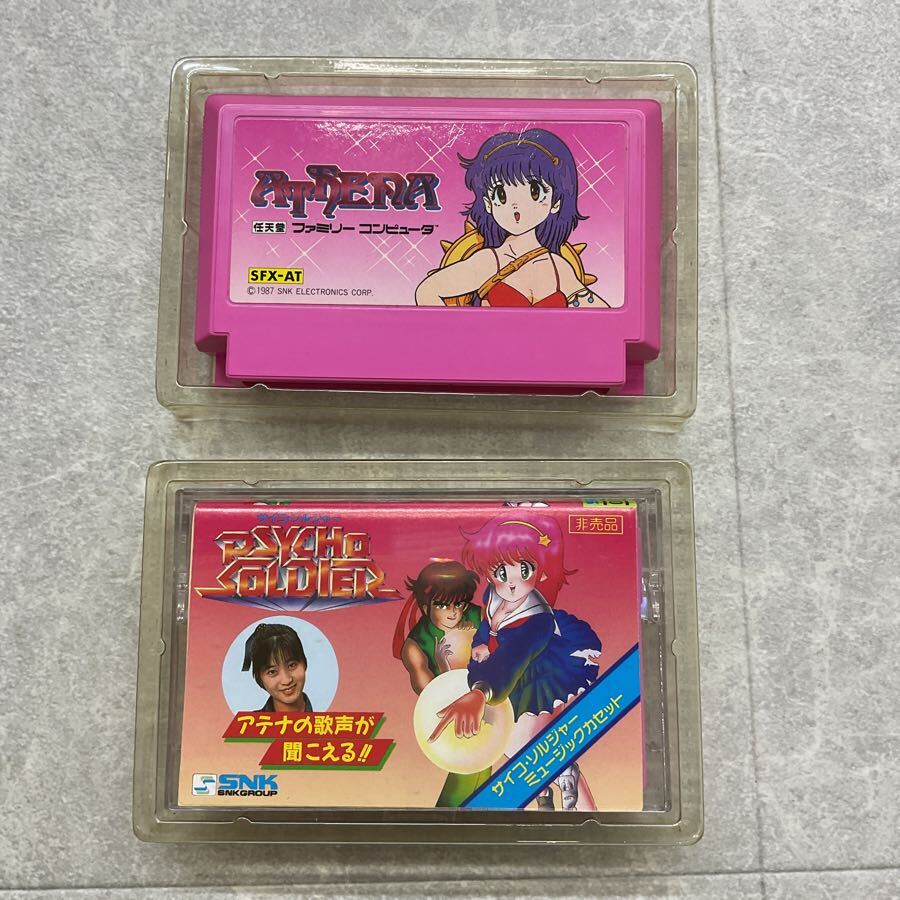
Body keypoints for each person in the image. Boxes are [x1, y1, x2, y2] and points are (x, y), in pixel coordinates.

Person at [429, 511, 603, 810]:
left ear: (541, 572)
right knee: (519, 748)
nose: (511, 583)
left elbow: (515, 655)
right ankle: (547, 793)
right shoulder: (493, 595)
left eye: (524, 570)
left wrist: (481, 691)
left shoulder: (537, 619)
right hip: (504, 672)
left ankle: (568, 786)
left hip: (538, 672)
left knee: (528, 747)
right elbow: (488, 624)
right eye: (501, 572)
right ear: (488, 573)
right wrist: (482, 641)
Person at [415, 128, 608, 308]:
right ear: (488, 203)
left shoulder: (558, 268)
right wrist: (458, 331)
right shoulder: (490, 262)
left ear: (556, 202)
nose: (516, 205)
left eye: (534, 192)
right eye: (501, 194)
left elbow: (602, 314)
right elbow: (427, 291)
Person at [392, 559, 491, 806]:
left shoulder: (478, 615)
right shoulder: (415, 646)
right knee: (472, 762)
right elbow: (429, 697)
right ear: (425, 607)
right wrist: (444, 668)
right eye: (442, 605)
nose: (453, 612)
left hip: (491, 698)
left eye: (459, 603)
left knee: (483, 765)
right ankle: (446, 818)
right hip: (449, 714)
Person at [242, 622, 312, 713]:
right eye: (272, 672)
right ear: (260, 678)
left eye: (292, 665)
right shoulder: (248, 721)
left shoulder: (328, 718)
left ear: (304, 663)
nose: (286, 680)